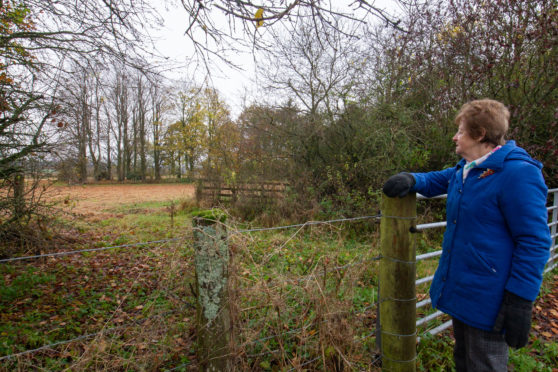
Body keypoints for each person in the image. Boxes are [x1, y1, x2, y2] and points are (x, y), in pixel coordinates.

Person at [382, 99, 551, 371]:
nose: (454, 136)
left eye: (460, 131)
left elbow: (535, 241)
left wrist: (520, 300)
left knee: (484, 364)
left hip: (492, 298)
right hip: (465, 289)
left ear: (480, 134)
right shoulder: (469, 167)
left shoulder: (518, 174)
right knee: (464, 360)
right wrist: (413, 179)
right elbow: (443, 178)